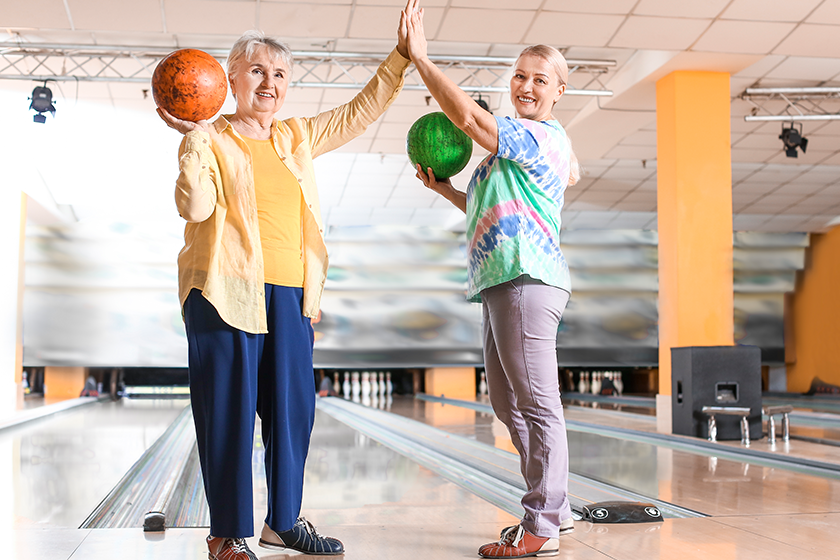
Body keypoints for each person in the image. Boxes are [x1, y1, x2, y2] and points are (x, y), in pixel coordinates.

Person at [157, 7, 412, 558]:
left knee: (294, 412)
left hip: (291, 298)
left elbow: (357, 113)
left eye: (279, 75)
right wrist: (197, 140)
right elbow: (195, 206)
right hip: (224, 294)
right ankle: (226, 532)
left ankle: (283, 522)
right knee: (227, 414)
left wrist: (401, 57)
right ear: (230, 78)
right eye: (256, 71)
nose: (268, 83)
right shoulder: (212, 139)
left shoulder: (296, 136)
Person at [402, 1, 580, 557]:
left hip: (527, 280)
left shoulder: (541, 138)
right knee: (507, 404)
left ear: (557, 92)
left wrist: (424, 62)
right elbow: (489, 209)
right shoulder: (509, 155)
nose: (527, 85)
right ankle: (555, 509)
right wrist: (446, 192)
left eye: (540, 79)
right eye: (521, 75)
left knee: (537, 403)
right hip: (500, 283)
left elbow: (474, 122)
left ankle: (542, 524)